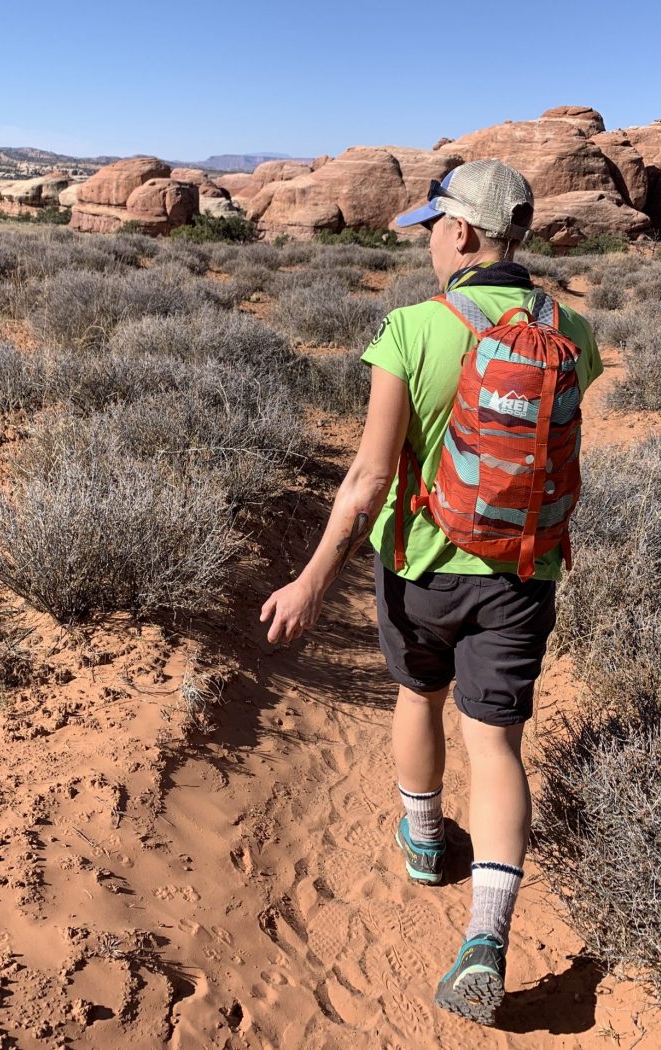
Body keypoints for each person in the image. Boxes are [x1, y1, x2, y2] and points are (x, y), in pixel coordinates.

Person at [259, 159, 602, 1023]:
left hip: (418, 564)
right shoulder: (573, 329)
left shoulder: (414, 328)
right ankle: (485, 937)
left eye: (431, 229)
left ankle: (422, 847)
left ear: (457, 232)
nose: (427, 243)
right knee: (497, 746)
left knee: (418, 694)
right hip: (523, 569)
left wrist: (310, 579)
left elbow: (370, 478)